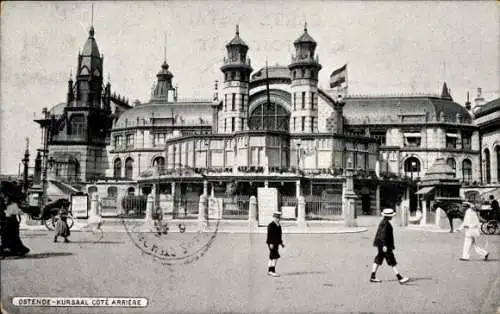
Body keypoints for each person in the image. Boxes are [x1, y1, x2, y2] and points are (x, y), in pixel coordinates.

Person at [370, 208, 409, 284]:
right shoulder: (386, 224)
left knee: (379, 259)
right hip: (384, 245)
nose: (392, 217)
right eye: (391, 216)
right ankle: (399, 278)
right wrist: (385, 245)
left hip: (380, 244)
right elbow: (383, 235)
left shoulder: (383, 222)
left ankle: (372, 276)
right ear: (388, 216)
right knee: (391, 260)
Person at [0, 181, 30, 257]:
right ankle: (17, 250)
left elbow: (8, 212)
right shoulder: (12, 198)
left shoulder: (8, 199)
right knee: (14, 237)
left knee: (9, 236)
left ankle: (9, 250)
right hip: (11, 221)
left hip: (9, 221)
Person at [266, 211, 284, 277]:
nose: (277, 219)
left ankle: (269, 271)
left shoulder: (278, 225)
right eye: (276, 218)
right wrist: (271, 243)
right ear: (273, 217)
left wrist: (281, 243)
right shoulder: (271, 225)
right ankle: (272, 271)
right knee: (275, 256)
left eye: (278, 218)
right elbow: (270, 235)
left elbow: (279, 235)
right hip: (272, 243)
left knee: (271, 256)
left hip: (276, 243)